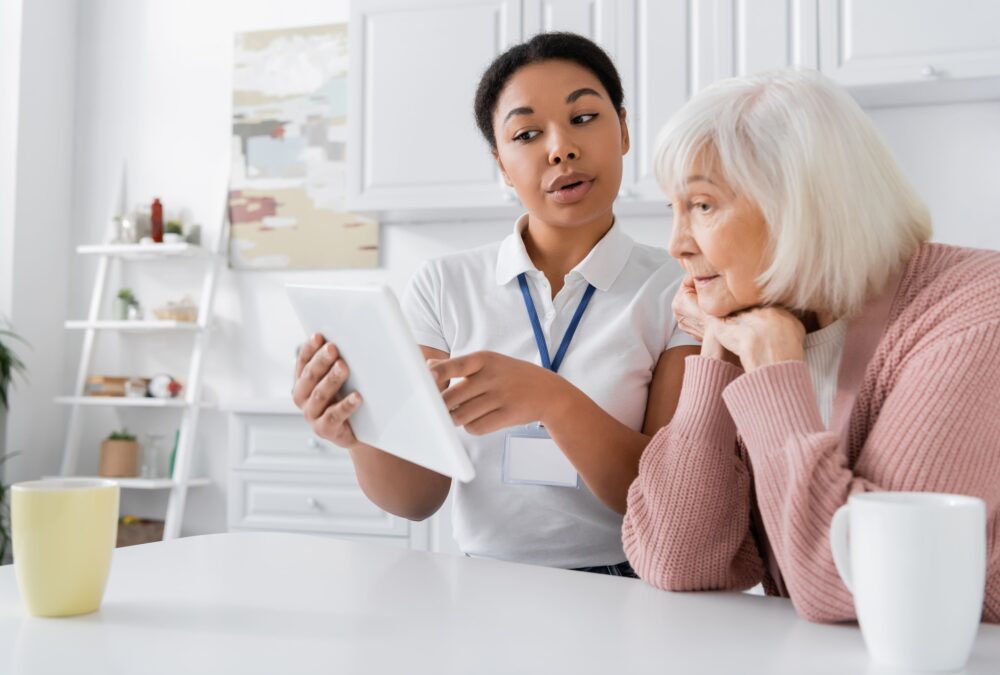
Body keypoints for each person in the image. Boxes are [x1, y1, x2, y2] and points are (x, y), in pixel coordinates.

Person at [293, 32, 697, 574]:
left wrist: (553, 400)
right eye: (527, 134)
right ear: (503, 164)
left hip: (629, 586)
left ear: (623, 130)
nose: (560, 149)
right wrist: (358, 435)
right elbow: (416, 499)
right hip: (482, 580)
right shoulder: (444, 285)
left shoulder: (681, 287)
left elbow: (671, 501)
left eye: (583, 118)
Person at [622, 68, 1000, 621]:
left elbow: (856, 589)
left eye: (702, 206)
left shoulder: (975, 317)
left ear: (800, 206)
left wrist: (775, 376)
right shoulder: (766, 319)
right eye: (672, 210)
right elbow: (675, 558)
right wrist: (718, 352)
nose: (677, 244)